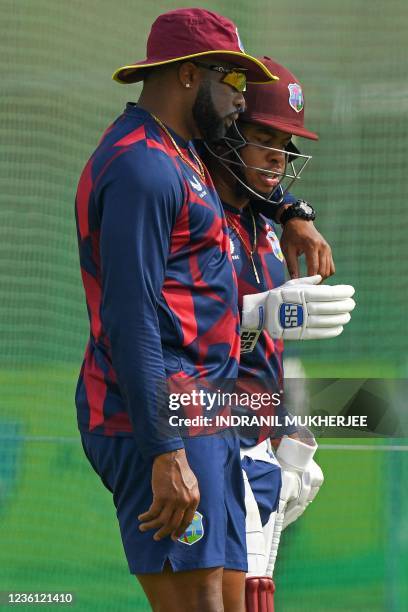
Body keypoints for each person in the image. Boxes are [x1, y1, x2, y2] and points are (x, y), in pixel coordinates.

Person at [74, 8, 279, 612]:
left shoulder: (182, 152)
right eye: (233, 81)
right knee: (200, 604)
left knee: (235, 601)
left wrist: (291, 212)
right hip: (161, 424)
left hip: (204, 416)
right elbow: (131, 316)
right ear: (190, 74)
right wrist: (165, 451)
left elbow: (248, 176)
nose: (243, 100)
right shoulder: (141, 165)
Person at [203, 56, 356, 610]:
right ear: (227, 133)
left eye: (286, 142)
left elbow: (270, 349)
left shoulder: (265, 224)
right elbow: (172, 324)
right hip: (207, 438)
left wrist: (291, 430)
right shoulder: (195, 214)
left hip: (256, 439)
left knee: (259, 594)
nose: (278, 155)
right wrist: (250, 313)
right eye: (263, 136)